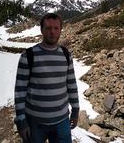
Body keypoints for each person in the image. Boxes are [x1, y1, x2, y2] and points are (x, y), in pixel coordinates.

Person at [14, 13, 79, 143]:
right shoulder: (28, 56)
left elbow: (71, 84)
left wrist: (76, 110)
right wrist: (21, 121)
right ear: (42, 30)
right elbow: (20, 92)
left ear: (60, 30)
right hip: (34, 122)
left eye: (56, 28)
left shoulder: (66, 55)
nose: (52, 32)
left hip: (62, 121)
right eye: (48, 28)